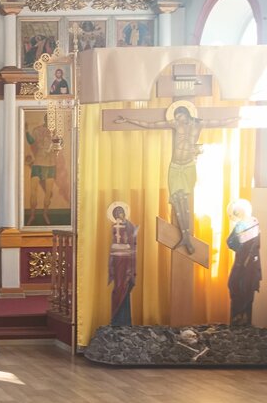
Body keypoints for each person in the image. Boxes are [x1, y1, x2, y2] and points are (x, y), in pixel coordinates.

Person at [116, 105, 237, 254]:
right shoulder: (175, 124)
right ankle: (185, 237)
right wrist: (128, 120)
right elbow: (150, 125)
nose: (178, 120)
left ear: (187, 113)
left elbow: (219, 122)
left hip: (188, 166)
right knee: (176, 200)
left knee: (184, 199)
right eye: (176, 117)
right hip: (175, 166)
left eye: (180, 117)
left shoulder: (199, 123)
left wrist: (236, 118)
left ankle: (186, 237)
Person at [225, 198, 261, 325]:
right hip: (247, 265)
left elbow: (230, 242)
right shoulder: (253, 223)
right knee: (241, 290)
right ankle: (241, 321)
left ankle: (241, 321)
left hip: (245, 266)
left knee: (238, 288)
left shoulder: (247, 224)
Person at [107, 202, 138, 326]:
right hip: (117, 259)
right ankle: (116, 319)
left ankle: (125, 320)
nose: (120, 215)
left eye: (121, 212)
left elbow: (132, 239)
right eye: (117, 213)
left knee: (125, 286)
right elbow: (114, 242)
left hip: (126, 260)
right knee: (118, 286)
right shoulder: (115, 226)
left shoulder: (129, 226)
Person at [25, 116, 57, 225]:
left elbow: (59, 146)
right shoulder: (37, 130)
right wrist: (26, 131)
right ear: (46, 119)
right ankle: (32, 215)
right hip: (38, 163)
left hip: (50, 164)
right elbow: (31, 141)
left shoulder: (56, 132)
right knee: (33, 191)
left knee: (48, 192)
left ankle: (45, 214)